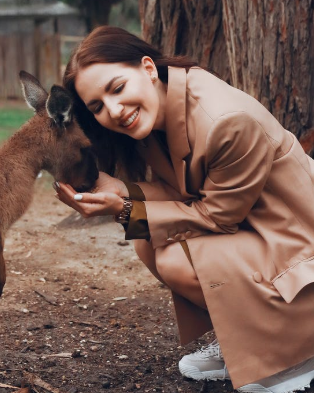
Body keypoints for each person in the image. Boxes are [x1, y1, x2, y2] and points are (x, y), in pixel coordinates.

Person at [54, 25, 314, 393]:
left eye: (117, 88)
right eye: (97, 106)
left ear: (147, 68)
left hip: (299, 249)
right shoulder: (163, 109)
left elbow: (217, 217)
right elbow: (187, 190)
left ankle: (295, 355)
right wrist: (123, 191)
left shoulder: (225, 121)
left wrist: (125, 207)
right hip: (260, 232)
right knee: (147, 240)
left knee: (172, 254)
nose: (114, 110)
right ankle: (246, 341)